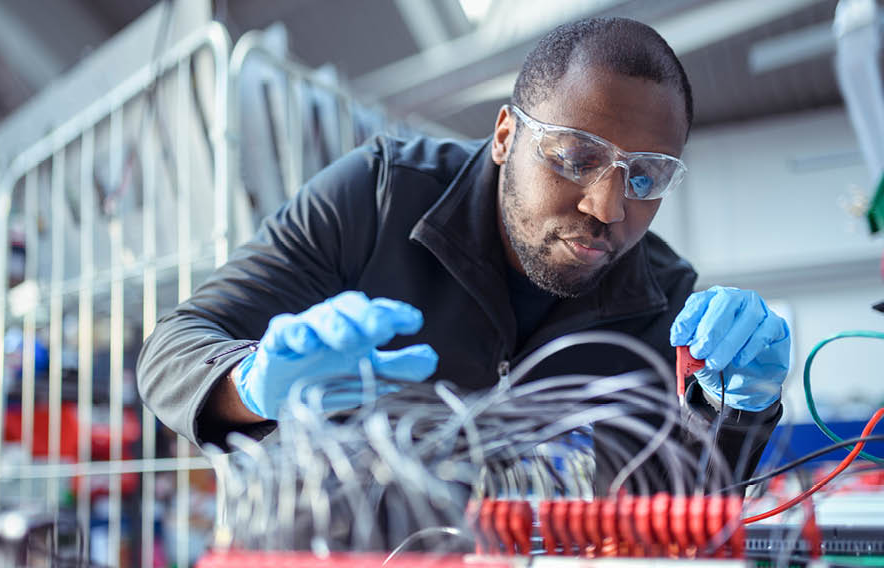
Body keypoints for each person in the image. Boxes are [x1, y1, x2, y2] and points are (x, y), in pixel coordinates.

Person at [136, 17, 789, 480]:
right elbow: (175, 346)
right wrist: (250, 384)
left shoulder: (663, 297)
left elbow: (672, 505)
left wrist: (737, 408)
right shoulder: (381, 194)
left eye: (646, 176)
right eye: (575, 157)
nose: (608, 208)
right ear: (505, 135)